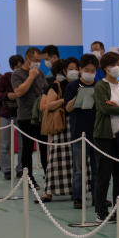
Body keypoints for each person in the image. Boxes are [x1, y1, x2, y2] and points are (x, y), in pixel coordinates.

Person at [92, 52, 119, 222]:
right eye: (114, 64)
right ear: (105, 68)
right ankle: (101, 210)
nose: (117, 68)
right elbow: (104, 109)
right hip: (105, 135)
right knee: (104, 174)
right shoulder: (100, 86)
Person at [40, 58, 80, 202]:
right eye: (70, 68)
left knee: (76, 160)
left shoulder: (80, 84)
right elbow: (46, 106)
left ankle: (76, 189)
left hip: (77, 125)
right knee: (56, 160)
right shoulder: (57, 86)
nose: (73, 71)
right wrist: (65, 101)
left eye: (76, 68)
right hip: (63, 126)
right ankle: (48, 191)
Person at [64, 55, 98, 209]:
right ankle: (78, 197)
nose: (90, 73)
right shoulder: (72, 86)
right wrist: (79, 96)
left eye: (93, 70)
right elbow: (67, 108)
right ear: (80, 70)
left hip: (97, 133)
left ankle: (98, 197)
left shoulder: (99, 86)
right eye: (87, 70)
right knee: (79, 168)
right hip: (79, 132)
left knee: (97, 168)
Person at [11, 47, 48, 186]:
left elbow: (45, 90)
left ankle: (48, 176)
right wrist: (31, 76)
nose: (38, 63)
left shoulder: (41, 74)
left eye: (40, 61)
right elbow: (19, 92)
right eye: (36, 60)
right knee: (27, 149)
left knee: (44, 147)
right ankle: (28, 178)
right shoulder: (17, 74)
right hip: (26, 116)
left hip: (41, 116)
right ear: (27, 59)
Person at [0, 55, 22, 179]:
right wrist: (8, 95)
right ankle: (6, 170)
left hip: (21, 114)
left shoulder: (26, 77)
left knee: (23, 144)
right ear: (12, 67)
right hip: (6, 113)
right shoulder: (5, 77)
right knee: (4, 143)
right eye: (16, 67)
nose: (19, 68)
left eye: (20, 65)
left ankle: (21, 168)